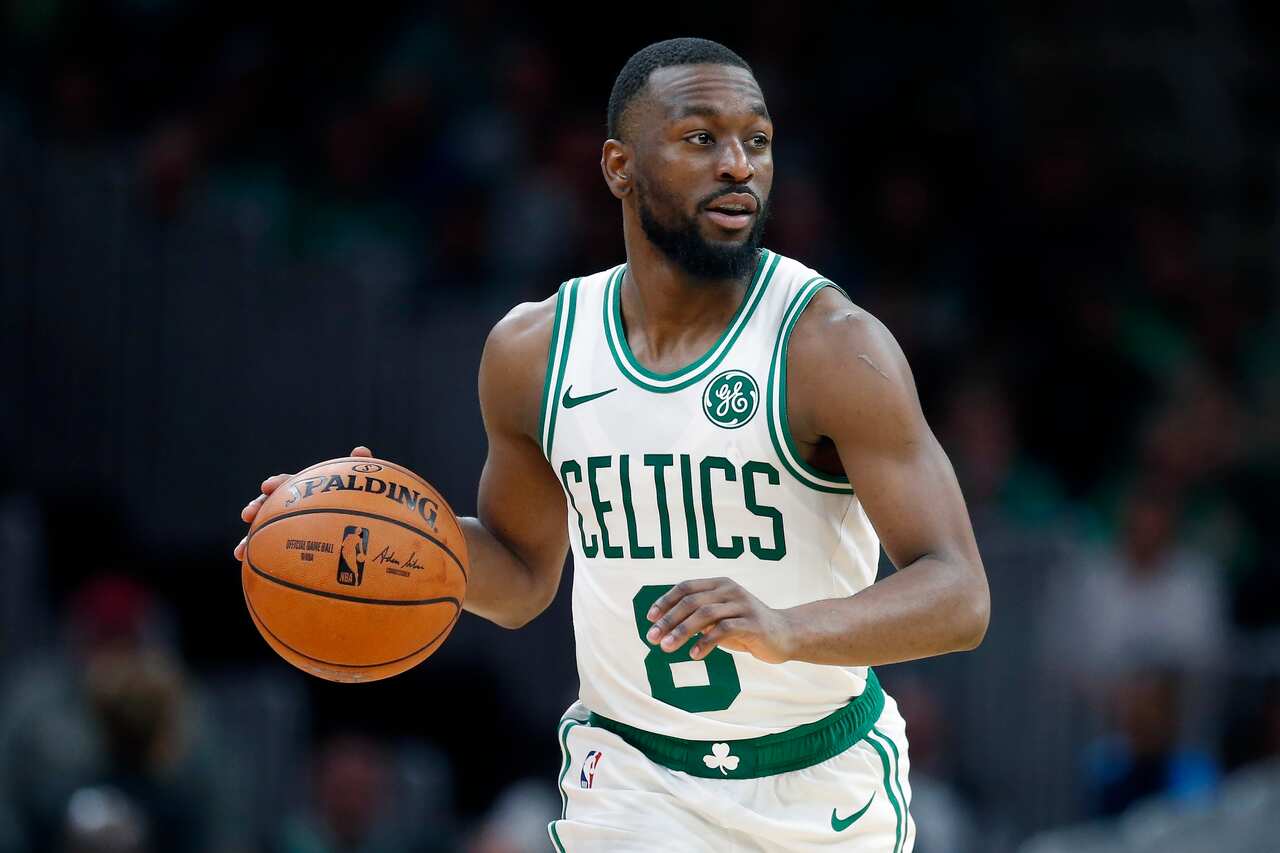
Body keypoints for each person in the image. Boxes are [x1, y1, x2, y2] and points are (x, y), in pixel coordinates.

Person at [235, 37, 989, 852]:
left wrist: (787, 626)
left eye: (757, 140)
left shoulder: (832, 346)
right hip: (631, 782)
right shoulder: (534, 351)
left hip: (820, 784)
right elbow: (525, 576)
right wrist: (378, 524)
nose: (738, 164)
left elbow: (959, 594)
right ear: (619, 167)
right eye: (702, 138)